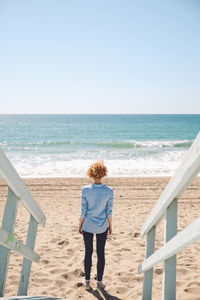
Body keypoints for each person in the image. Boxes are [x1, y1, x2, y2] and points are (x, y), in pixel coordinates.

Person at [79, 160, 114, 290]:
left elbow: (83, 210)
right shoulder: (109, 191)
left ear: (91, 174)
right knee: (101, 253)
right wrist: (110, 225)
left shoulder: (85, 190)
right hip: (102, 226)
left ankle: (87, 281)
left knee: (88, 252)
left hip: (88, 225)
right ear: (103, 173)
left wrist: (80, 224)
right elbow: (109, 211)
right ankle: (99, 282)